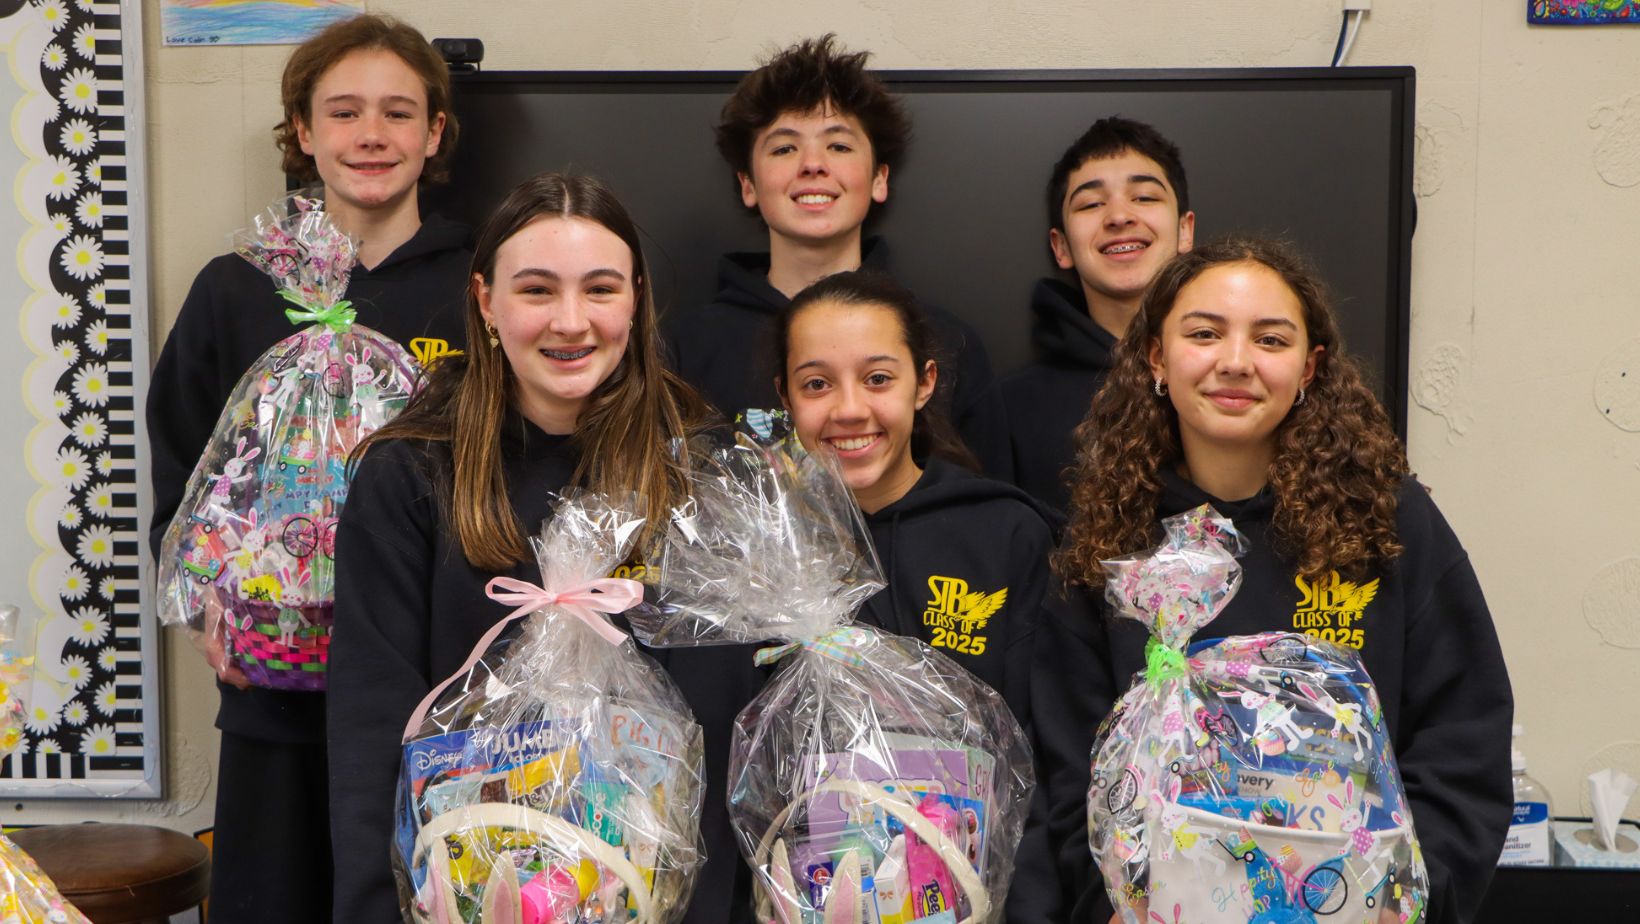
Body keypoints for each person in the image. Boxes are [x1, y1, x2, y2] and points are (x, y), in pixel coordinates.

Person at [1035, 238, 1513, 923]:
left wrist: (1408, 899)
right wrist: (1113, 902)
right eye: (1203, 333)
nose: (1235, 362)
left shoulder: (1388, 523)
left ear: (1310, 368)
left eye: (1270, 339)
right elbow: (1068, 770)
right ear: (1156, 358)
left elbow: (1464, 737)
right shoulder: (1107, 543)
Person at [143, 15, 467, 921]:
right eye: (345, 111)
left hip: (438, 685)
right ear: (303, 130)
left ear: (434, 133)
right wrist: (208, 601)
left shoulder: (483, 283)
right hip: (277, 687)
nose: (372, 135)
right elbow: (183, 461)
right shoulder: (237, 288)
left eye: (399, 113)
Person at [326, 172, 710, 921]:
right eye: (537, 290)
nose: (571, 322)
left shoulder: (698, 467)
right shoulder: (409, 471)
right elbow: (370, 726)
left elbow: (719, 727)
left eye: (600, 289)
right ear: (485, 301)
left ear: (636, 299)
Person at [774, 270, 1060, 921]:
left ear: (924, 382)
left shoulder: (1004, 534)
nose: (848, 409)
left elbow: (1042, 764)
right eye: (817, 384)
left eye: (878, 378)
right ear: (784, 397)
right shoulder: (760, 553)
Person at [664, 34, 1009, 475]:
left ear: (879, 179)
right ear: (748, 184)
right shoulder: (684, 348)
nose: (813, 164)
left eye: (839, 145)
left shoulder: (947, 342)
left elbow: (990, 515)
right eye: (785, 147)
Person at [1001, 117, 1194, 513]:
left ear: (1185, 231)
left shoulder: (1235, 374)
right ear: (1061, 247)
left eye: (1144, 197)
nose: (1119, 216)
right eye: (1091, 204)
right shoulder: (1009, 409)